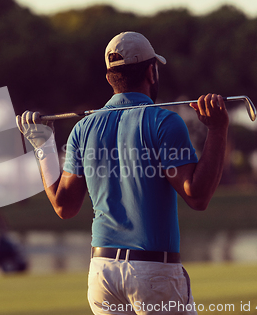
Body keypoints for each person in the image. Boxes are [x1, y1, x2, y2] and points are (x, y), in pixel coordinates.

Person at [17, 31, 228, 315]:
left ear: (109, 78)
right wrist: (217, 129)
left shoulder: (83, 129)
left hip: (102, 273)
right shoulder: (164, 122)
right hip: (153, 271)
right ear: (152, 72)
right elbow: (197, 196)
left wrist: (41, 144)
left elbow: (63, 206)